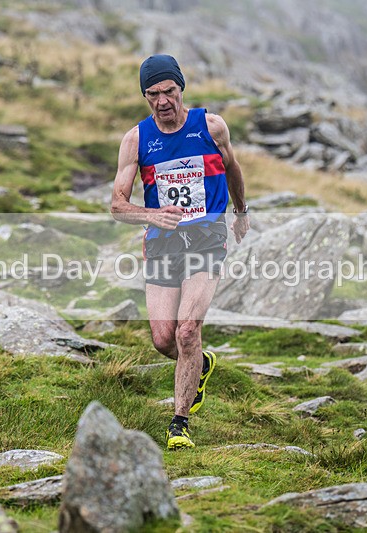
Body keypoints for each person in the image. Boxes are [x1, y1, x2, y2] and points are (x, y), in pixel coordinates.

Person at [111, 54, 251, 450]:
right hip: (163, 243)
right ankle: (200, 364)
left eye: (168, 91)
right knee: (162, 338)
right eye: (152, 94)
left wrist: (241, 212)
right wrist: (152, 215)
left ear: (181, 89)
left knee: (188, 331)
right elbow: (117, 205)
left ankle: (179, 424)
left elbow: (233, 167)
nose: (162, 101)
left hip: (207, 238)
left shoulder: (211, 126)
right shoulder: (136, 140)